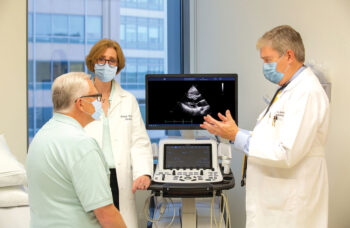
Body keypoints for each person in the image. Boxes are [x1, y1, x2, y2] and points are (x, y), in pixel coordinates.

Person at [200, 25, 329, 228]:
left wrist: (236, 136)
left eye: (268, 60)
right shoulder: (288, 90)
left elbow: (286, 152)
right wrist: (233, 133)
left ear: (289, 55)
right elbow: (271, 138)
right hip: (276, 203)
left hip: (290, 206)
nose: (265, 67)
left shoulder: (306, 92)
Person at [26, 72, 126, 228]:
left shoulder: (41, 136)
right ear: (81, 103)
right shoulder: (81, 145)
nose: (100, 101)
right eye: (95, 96)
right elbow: (106, 214)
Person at [85, 39, 153, 228]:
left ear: (118, 66)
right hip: (91, 176)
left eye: (112, 61)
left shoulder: (128, 100)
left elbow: (139, 142)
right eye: (101, 59)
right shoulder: (81, 98)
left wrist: (143, 173)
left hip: (118, 178)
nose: (106, 65)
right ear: (92, 62)